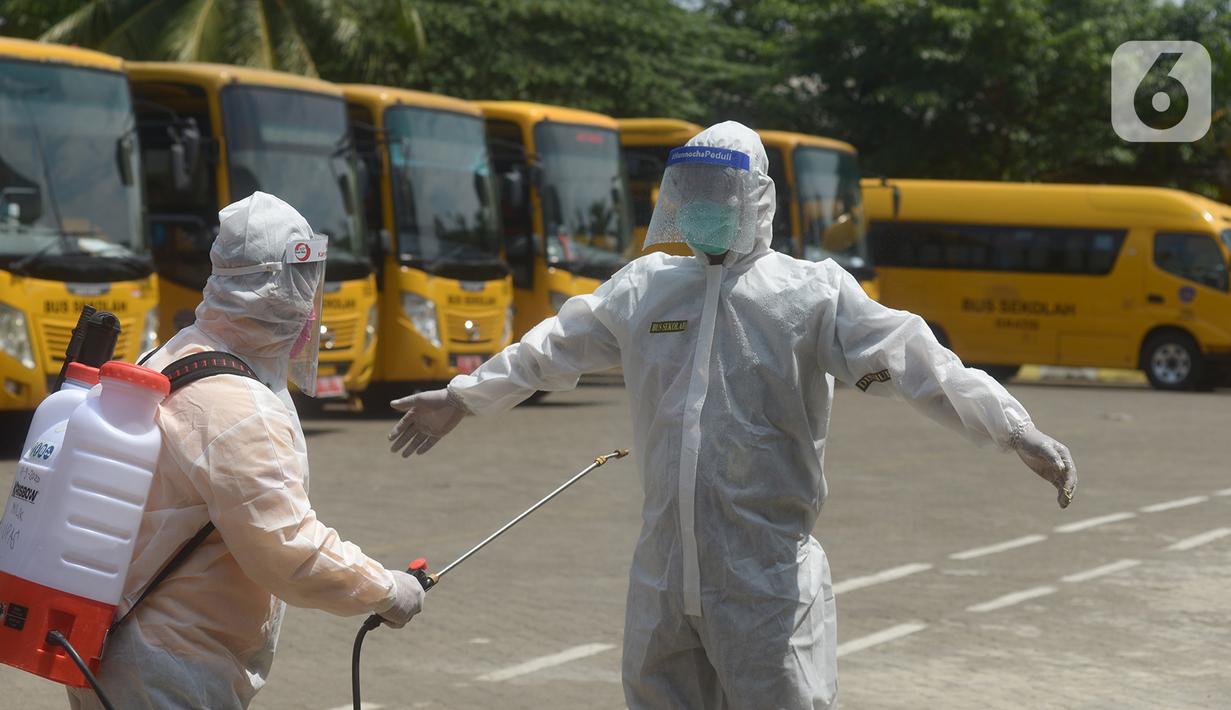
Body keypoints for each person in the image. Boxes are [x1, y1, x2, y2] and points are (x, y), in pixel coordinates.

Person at [387, 122, 1076, 709]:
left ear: (756, 200)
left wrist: (1012, 426)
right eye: (692, 194)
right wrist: (461, 398)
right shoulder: (647, 289)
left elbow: (915, 357)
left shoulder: (808, 295)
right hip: (662, 574)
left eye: (721, 195)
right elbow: (550, 347)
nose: (704, 207)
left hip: (766, 581)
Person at [69, 192, 423, 710]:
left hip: (113, 649)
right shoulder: (237, 404)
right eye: (307, 284)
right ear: (286, 290)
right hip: (171, 665)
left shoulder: (170, 355)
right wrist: (388, 591)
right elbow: (287, 547)